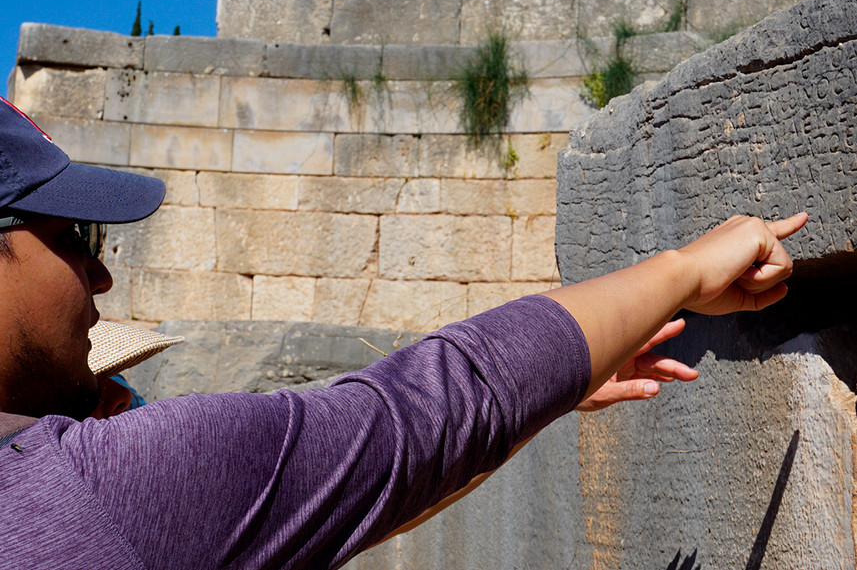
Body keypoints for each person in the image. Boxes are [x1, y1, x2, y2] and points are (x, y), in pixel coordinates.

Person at [0, 95, 806, 569]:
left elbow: (351, 493)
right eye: (72, 235)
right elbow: (423, 416)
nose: (99, 274)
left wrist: (553, 384)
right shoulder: (85, 496)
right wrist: (684, 270)